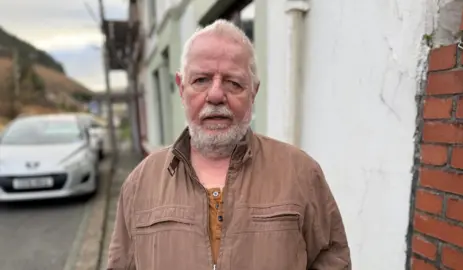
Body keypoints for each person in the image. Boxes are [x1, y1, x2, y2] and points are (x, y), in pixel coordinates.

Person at [107, 19, 351, 270]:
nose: (215, 95)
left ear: (253, 92)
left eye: (233, 83)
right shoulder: (140, 185)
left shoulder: (301, 173)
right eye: (201, 80)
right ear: (181, 88)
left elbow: (333, 259)